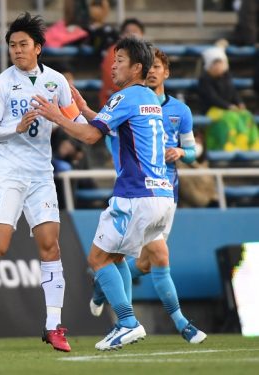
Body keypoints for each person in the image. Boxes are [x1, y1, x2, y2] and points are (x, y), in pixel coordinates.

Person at [0, 12, 84, 353]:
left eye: (23, 45)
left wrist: (95, 124)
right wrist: (18, 127)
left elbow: (75, 119)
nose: (16, 51)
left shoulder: (56, 82)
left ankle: (54, 326)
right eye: (12, 45)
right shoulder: (1, 83)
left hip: (41, 174)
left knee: (51, 246)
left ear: (38, 48)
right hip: (6, 172)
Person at [33, 37, 175, 350]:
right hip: (162, 196)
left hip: (135, 195)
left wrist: (55, 115)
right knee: (114, 256)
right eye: (114, 60)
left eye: (120, 60)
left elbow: (91, 136)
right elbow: (116, 125)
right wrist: (84, 109)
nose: (113, 65)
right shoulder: (146, 97)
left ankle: (127, 322)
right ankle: (125, 322)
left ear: (137, 67)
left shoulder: (123, 96)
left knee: (97, 258)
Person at [88, 48, 207, 344]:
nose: (153, 72)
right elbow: (106, 133)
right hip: (142, 192)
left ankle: (105, 290)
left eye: (158, 67)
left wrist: (182, 152)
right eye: (149, 66)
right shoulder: (133, 102)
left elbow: (195, 152)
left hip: (167, 192)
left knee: (140, 264)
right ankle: (181, 324)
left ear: (166, 72)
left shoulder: (180, 111)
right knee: (156, 255)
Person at [198, 46, 259, 151]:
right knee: (230, 118)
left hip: (230, 108)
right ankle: (229, 147)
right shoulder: (205, 80)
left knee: (247, 115)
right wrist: (228, 106)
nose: (219, 66)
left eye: (221, 63)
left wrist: (239, 103)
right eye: (216, 63)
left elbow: (234, 93)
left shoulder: (227, 77)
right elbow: (212, 98)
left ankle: (251, 147)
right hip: (213, 109)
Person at [99, 18, 144, 107]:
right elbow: (113, 80)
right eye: (128, 32)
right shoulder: (114, 51)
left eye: (135, 31)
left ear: (142, 35)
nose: (132, 34)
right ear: (121, 35)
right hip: (114, 104)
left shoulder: (149, 53)